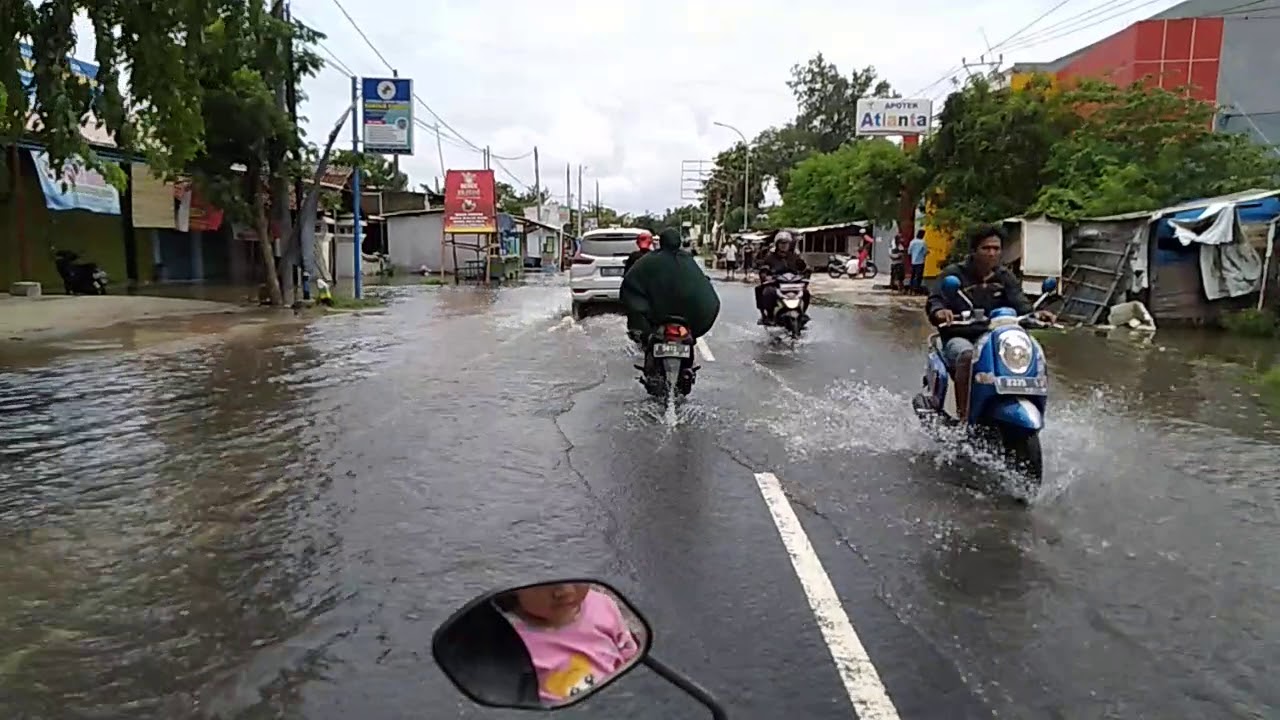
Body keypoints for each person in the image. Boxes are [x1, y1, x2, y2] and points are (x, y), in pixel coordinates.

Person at [926, 224, 1057, 417]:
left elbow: (1020, 303)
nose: (991, 253)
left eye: (996, 249)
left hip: (996, 336)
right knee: (967, 357)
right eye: (986, 248)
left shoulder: (1005, 277)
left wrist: (1036, 314)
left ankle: (1033, 408)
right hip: (963, 334)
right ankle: (965, 419)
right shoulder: (955, 274)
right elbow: (935, 300)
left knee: (1033, 352)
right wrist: (940, 311)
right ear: (974, 250)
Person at [499, 583, 640, 704]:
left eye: (575, 577)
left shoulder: (601, 606)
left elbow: (631, 657)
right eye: (545, 583)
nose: (565, 591)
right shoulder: (508, 641)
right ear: (513, 588)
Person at [620, 227, 721, 344]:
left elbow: (629, 284)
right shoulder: (688, 261)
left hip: (659, 318)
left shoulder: (648, 260)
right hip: (681, 319)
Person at [754, 230, 810, 323]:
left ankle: (803, 313)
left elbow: (805, 268)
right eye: (781, 243)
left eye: (786, 243)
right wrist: (766, 276)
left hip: (793, 284)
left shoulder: (794, 257)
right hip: (777, 284)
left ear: (790, 244)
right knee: (765, 291)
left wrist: (806, 274)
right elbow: (763, 270)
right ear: (777, 244)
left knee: (806, 293)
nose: (784, 245)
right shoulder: (770, 257)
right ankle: (768, 315)